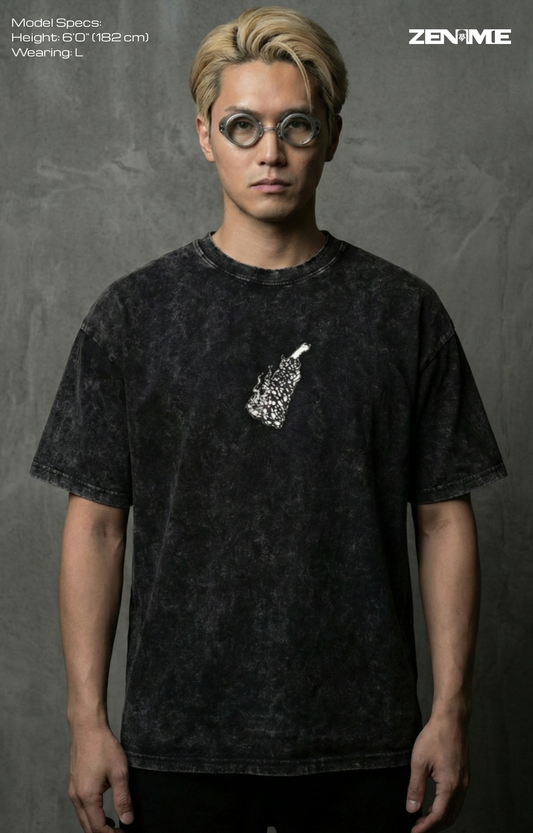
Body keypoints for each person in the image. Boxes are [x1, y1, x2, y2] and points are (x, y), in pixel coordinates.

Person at [30, 7, 507, 833]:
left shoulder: (401, 313)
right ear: (204, 136)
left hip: (365, 750)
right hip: (175, 749)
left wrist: (450, 710)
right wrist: (86, 720)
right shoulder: (134, 315)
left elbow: (441, 519)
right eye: (242, 125)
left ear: (330, 136)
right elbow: (97, 527)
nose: (270, 152)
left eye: (296, 125)